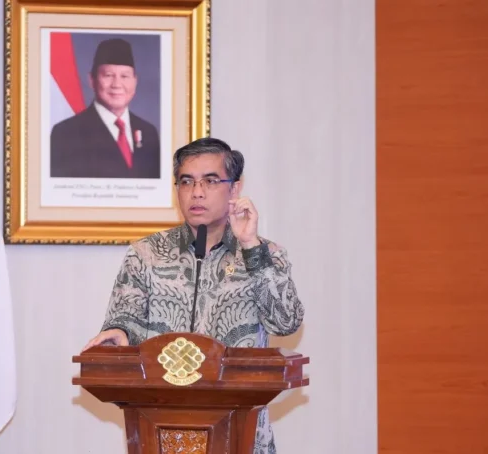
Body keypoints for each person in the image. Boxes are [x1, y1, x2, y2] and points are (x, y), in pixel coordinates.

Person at [83, 137, 305, 453]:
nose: (197, 192)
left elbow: (286, 322)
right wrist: (118, 332)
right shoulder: (146, 254)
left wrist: (250, 246)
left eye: (210, 181)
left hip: (241, 435)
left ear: (235, 189)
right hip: (160, 432)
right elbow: (124, 318)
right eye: (186, 182)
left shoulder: (264, 253)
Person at [50, 38, 161, 179]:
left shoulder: (148, 132)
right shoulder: (66, 133)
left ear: (135, 81)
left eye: (125, 76)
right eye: (108, 75)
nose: (117, 84)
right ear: (92, 80)